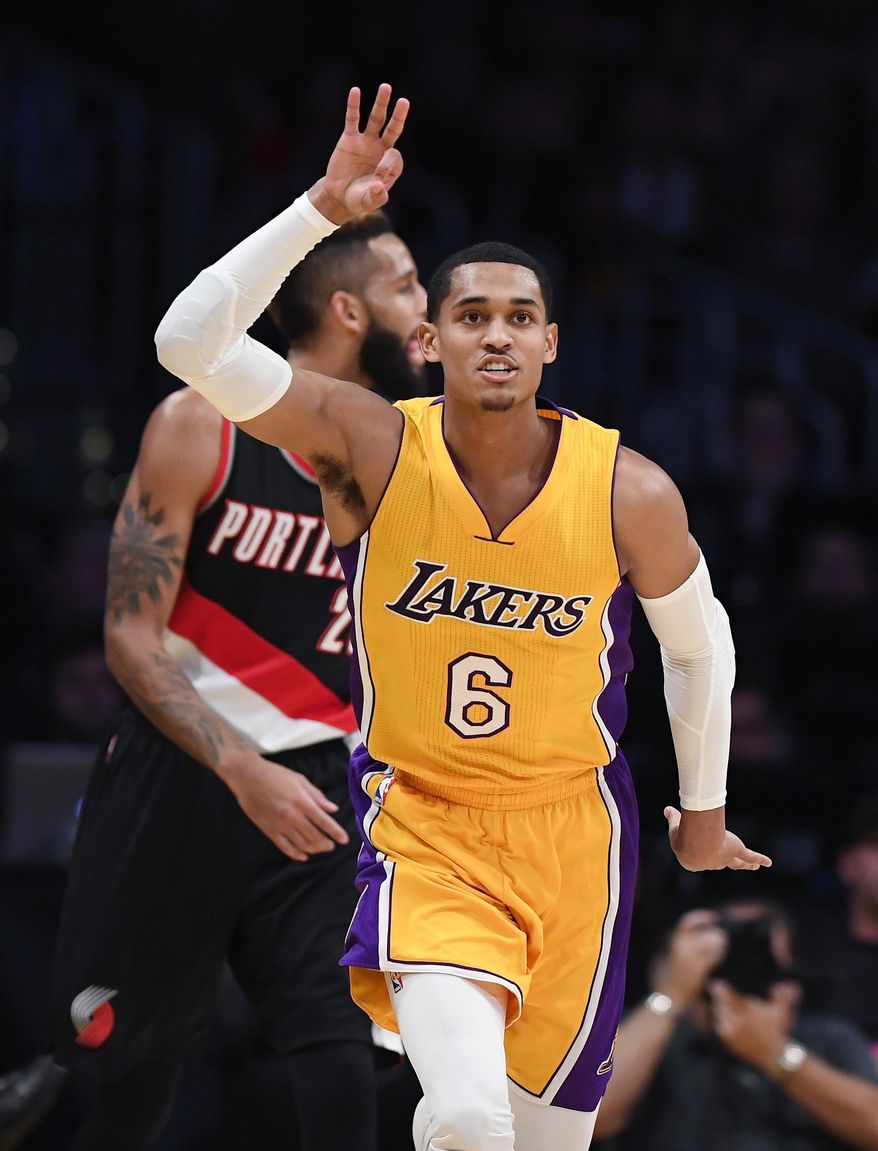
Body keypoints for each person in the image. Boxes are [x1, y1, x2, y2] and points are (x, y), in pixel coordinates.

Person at [154, 83, 770, 1151]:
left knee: (541, 1141)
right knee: (470, 1115)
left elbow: (697, 644)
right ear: (429, 340)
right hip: (425, 823)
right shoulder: (369, 442)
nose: (497, 335)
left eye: (519, 317)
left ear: (551, 343)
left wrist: (705, 813)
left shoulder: (626, 488)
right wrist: (318, 211)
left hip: (576, 838)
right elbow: (188, 342)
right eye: (471, 316)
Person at [50, 207, 428, 1151]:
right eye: (407, 287)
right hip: (181, 770)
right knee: (132, 1090)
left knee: (340, 1064)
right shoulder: (200, 424)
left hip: (322, 788)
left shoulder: (408, 457)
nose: (427, 310)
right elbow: (129, 635)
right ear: (347, 311)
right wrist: (239, 767)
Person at [594, 902, 878, 1151]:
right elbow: (593, 1117)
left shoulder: (827, 1038)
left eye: (761, 947)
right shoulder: (650, 1031)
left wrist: (774, 1053)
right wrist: (670, 995)